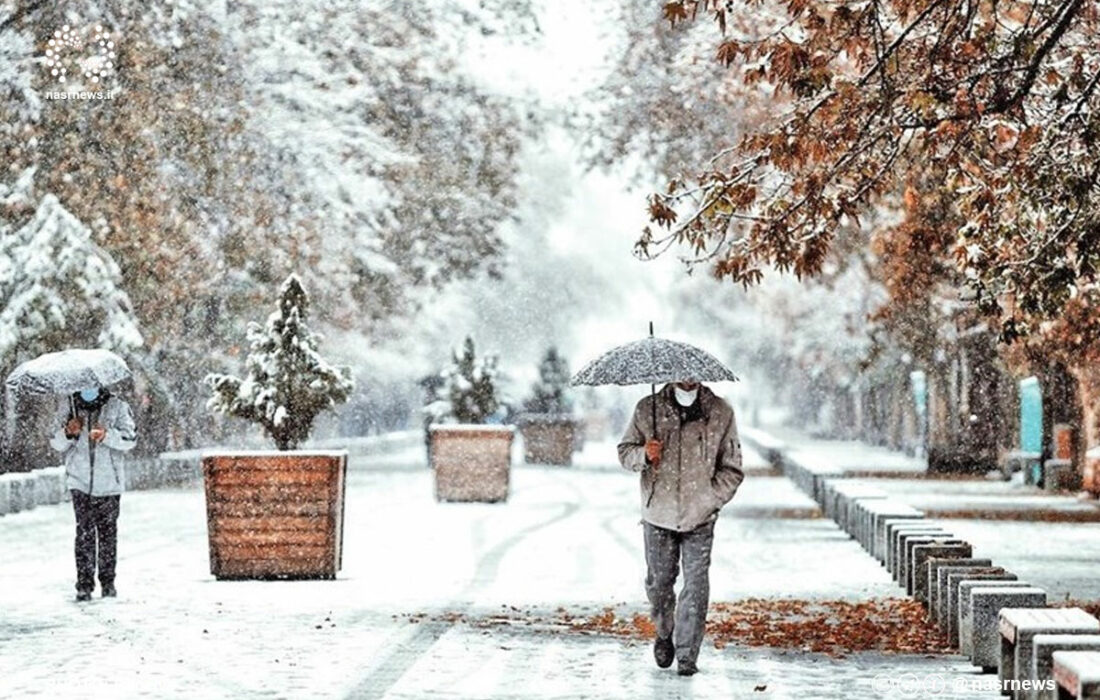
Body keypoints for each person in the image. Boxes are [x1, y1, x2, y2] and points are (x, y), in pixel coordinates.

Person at [618, 380, 745, 676]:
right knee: (660, 583)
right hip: (658, 513)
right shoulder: (647, 409)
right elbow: (625, 452)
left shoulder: (721, 412)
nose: (686, 378)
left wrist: (711, 498)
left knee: (696, 584)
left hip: (700, 516)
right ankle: (664, 632)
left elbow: (733, 467)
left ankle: (687, 654)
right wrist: (644, 455)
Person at [49, 387, 137, 602]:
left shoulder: (117, 406)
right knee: (84, 533)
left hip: (109, 483)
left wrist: (107, 435)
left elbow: (130, 439)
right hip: (79, 482)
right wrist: (69, 432)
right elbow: (55, 442)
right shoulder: (69, 406)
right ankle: (84, 584)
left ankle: (108, 582)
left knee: (107, 534)